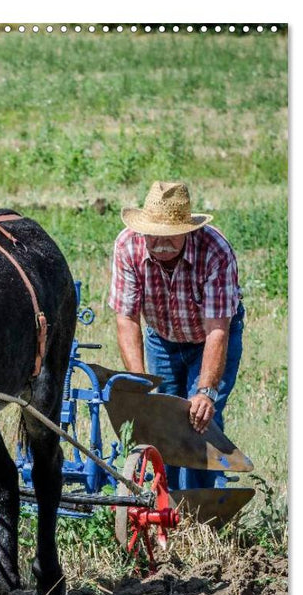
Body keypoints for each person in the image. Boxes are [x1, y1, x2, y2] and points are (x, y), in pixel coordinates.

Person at [108, 181, 245, 490]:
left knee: (198, 418)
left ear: (187, 229)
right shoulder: (128, 246)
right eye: (154, 236)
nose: (161, 244)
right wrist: (139, 383)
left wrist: (206, 391)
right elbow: (127, 318)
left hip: (209, 337)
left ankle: (202, 507)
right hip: (162, 337)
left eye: (170, 237)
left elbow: (217, 330)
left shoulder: (215, 251)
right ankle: (164, 501)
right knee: (161, 417)